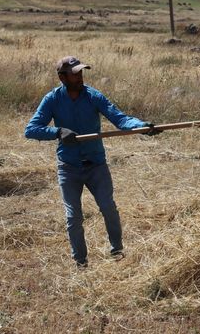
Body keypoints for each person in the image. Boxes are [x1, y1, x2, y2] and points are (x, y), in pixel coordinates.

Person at [25, 56, 160, 268]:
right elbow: (31, 130)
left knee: (108, 208)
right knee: (74, 217)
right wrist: (58, 132)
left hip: (96, 164)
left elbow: (120, 118)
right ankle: (80, 261)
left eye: (81, 72)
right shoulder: (52, 99)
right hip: (68, 167)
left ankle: (117, 250)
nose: (80, 77)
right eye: (75, 73)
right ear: (62, 77)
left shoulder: (93, 96)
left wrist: (142, 126)